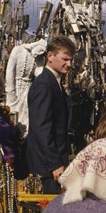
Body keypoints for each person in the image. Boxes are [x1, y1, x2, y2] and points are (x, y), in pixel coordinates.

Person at [26, 36, 76, 194]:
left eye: (71, 60)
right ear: (50, 56)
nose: (69, 64)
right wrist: (54, 163)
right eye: (65, 59)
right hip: (47, 167)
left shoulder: (54, 83)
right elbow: (41, 128)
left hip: (52, 164)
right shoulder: (44, 85)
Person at [5, 39, 47, 139]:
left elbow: (38, 74)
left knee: (27, 115)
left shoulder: (36, 55)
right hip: (16, 88)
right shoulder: (17, 50)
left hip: (29, 89)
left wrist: (40, 60)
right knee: (14, 115)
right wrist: (11, 93)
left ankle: (25, 138)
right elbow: (9, 73)